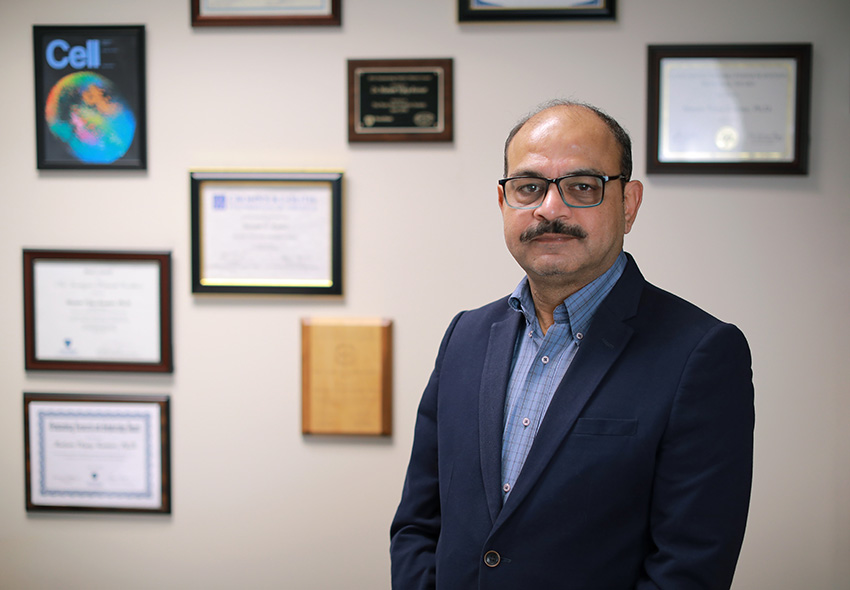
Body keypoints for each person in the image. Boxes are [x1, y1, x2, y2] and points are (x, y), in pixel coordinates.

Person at [389, 99, 755, 589]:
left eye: (582, 187)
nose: (549, 209)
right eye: (529, 187)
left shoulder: (701, 354)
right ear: (504, 204)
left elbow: (689, 566)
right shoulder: (465, 336)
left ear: (628, 204)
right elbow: (418, 524)